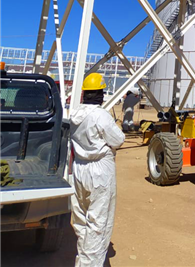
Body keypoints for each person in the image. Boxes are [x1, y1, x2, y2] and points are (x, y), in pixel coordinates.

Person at [70, 73, 125, 267]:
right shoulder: (100, 115)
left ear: (84, 93)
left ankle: (82, 259)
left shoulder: (75, 113)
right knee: (98, 223)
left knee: (81, 219)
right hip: (100, 171)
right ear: (101, 94)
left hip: (79, 169)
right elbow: (118, 140)